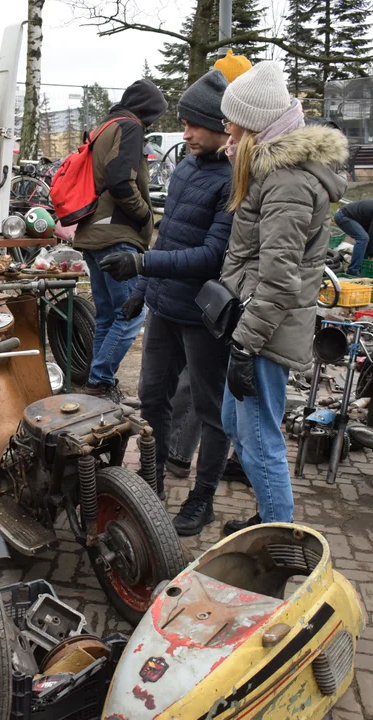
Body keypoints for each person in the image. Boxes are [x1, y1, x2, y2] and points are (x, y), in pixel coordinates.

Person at [98, 69, 236, 535]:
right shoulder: (184, 169)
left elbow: (211, 255)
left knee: (209, 409)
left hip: (202, 316)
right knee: (153, 395)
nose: (187, 133)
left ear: (223, 126)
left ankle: (203, 499)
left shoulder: (232, 180)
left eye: (196, 125)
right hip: (164, 308)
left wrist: (140, 269)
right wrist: (142, 292)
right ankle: (152, 480)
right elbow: (166, 236)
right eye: (185, 122)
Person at [217, 61, 348, 533]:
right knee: (238, 427)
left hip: (265, 334)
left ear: (253, 124)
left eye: (232, 122)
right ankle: (270, 516)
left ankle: (278, 536)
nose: (225, 131)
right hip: (256, 323)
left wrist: (245, 343)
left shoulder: (287, 181)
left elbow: (277, 279)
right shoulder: (270, 172)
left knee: (261, 439)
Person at [74, 79, 167, 403]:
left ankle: (98, 384)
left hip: (92, 233)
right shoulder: (130, 127)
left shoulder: (106, 127)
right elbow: (120, 181)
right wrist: (144, 216)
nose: (152, 123)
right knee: (130, 314)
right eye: (154, 116)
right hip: (116, 235)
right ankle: (99, 381)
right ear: (147, 112)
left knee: (108, 315)